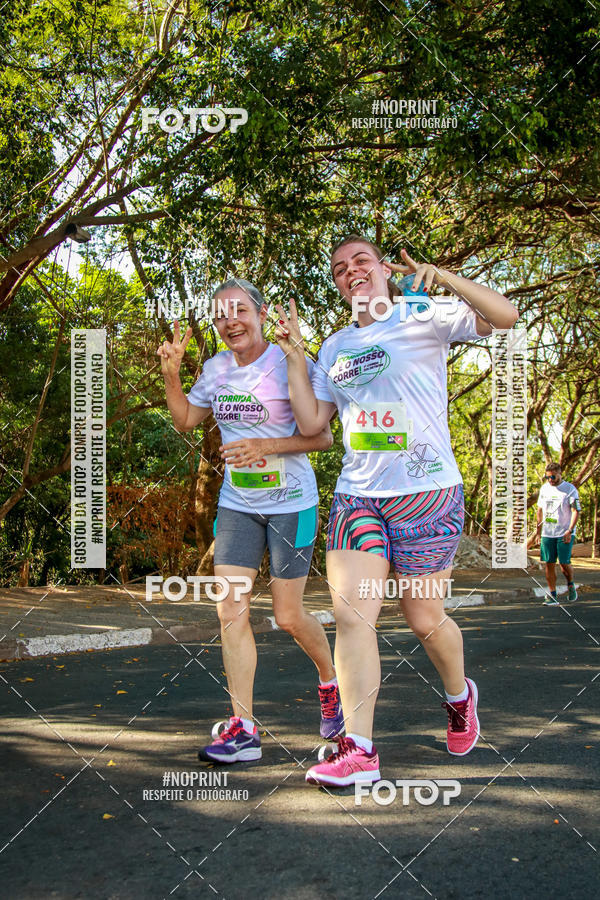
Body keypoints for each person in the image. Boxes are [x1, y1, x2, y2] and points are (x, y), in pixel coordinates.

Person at [275, 236, 519, 787]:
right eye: (339, 269)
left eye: (360, 261)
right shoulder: (335, 348)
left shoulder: (424, 314)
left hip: (427, 491)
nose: (350, 272)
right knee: (352, 616)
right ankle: (359, 749)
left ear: (383, 268)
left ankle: (460, 695)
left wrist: (445, 276)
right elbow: (314, 424)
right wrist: (295, 354)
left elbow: (504, 316)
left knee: (423, 618)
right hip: (358, 495)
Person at [157, 278, 343, 764]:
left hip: (291, 503)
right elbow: (184, 422)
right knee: (229, 611)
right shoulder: (217, 369)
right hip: (238, 503)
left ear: (261, 314)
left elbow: (321, 438)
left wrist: (267, 445)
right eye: (221, 314)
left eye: (239, 310)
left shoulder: (290, 360)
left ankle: (330, 681)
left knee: (287, 616)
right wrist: (172, 374)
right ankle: (242, 728)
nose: (230, 320)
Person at [532, 462, 581, 605]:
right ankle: (552, 594)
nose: (550, 480)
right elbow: (540, 511)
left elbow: (575, 511)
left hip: (564, 532)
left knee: (564, 563)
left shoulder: (570, 489)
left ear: (560, 474)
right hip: (548, 532)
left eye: (553, 476)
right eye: (547, 477)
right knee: (549, 563)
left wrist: (569, 530)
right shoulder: (544, 489)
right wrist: (538, 532)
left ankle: (570, 584)